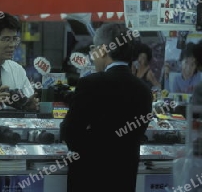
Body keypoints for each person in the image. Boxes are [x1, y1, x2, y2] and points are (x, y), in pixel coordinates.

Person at [61, 23, 152, 192]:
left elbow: (69, 131)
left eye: (94, 49)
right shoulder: (144, 90)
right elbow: (136, 134)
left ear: (102, 50)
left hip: (89, 178)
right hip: (124, 179)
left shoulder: (91, 83)